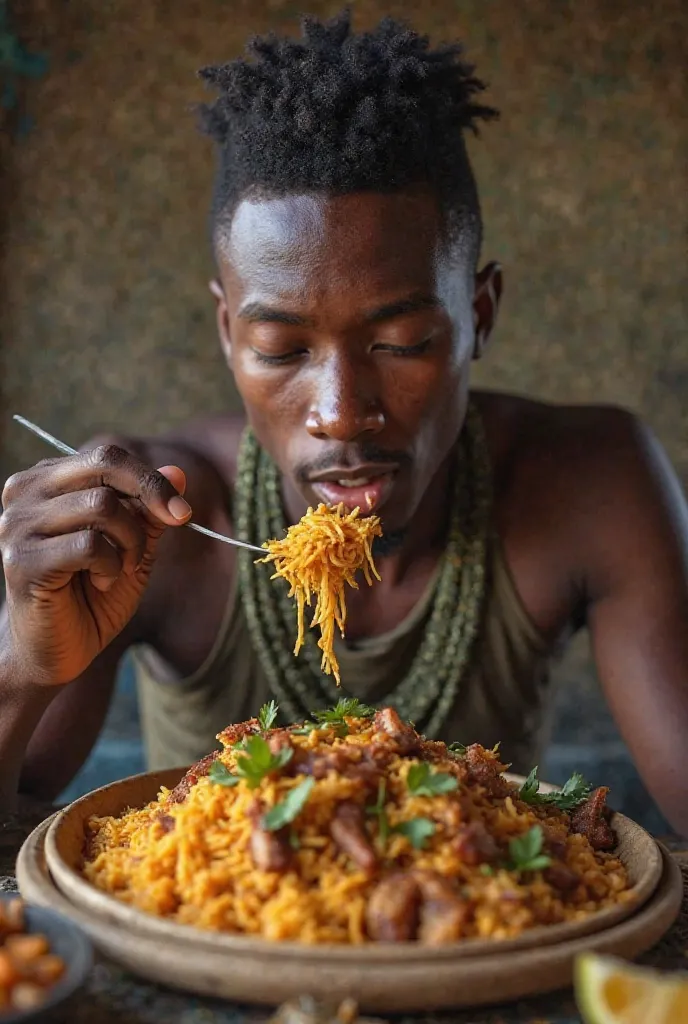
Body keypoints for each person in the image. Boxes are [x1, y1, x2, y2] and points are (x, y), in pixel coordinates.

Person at [1, 12, 687, 834]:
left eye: (401, 344)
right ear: (228, 336)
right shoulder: (152, 528)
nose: (340, 412)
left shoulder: (589, 485)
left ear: (478, 313)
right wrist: (22, 667)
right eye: (283, 349)